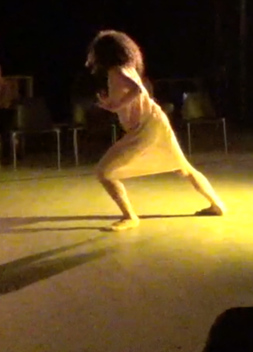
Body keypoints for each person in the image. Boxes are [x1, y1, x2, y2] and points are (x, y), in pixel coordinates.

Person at [86, 30, 227, 231]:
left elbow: (137, 90)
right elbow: (132, 94)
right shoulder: (125, 69)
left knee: (104, 172)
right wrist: (111, 104)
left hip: (146, 128)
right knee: (184, 168)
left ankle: (130, 217)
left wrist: (115, 105)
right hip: (153, 122)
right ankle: (217, 205)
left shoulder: (117, 70)